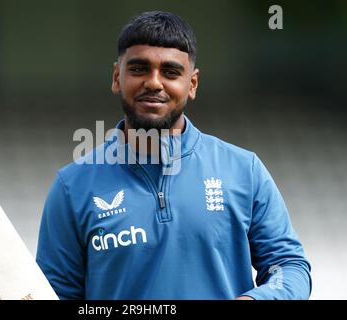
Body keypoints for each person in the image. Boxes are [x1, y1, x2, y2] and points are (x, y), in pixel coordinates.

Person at [36, 11, 311, 300]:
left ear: (192, 84)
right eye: (139, 69)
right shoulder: (72, 187)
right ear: (117, 77)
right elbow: (53, 294)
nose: (154, 83)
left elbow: (288, 267)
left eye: (170, 72)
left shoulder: (244, 170)